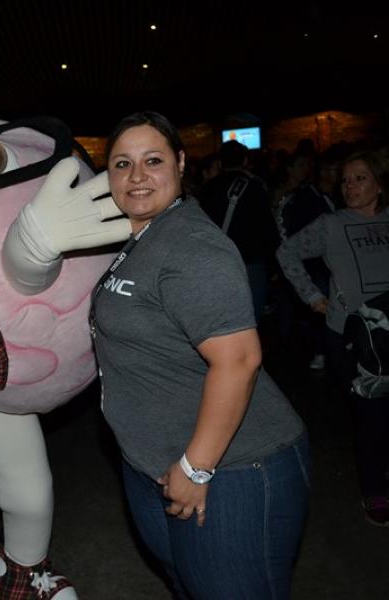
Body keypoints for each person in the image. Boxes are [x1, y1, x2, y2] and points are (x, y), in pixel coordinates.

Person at [91, 112, 309, 599]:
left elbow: (239, 360)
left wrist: (196, 467)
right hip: (156, 460)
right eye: (122, 163)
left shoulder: (191, 245)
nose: (137, 176)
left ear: (181, 163)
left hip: (232, 469)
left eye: (153, 160)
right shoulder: (143, 235)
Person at [277, 149, 389, 526]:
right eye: (345, 180)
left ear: (379, 184)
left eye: (359, 178)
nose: (349, 186)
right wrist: (312, 296)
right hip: (351, 338)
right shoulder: (331, 224)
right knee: (371, 415)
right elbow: (286, 252)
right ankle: (375, 490)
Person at [197, 139, 279, 323]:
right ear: (245, 160)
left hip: (217, 263)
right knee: (251, 318)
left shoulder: (208, 188)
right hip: (249, 263)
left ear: (220, 162)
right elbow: (267, 228)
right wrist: (272, 263)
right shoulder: (254, 186)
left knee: (222, 319)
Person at [273, 151, 335, 370]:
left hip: (325, 266)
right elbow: (287, 239)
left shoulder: (332, 196)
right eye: (328, 170)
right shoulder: (301, 198)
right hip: (310, 265)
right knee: (314, 308)